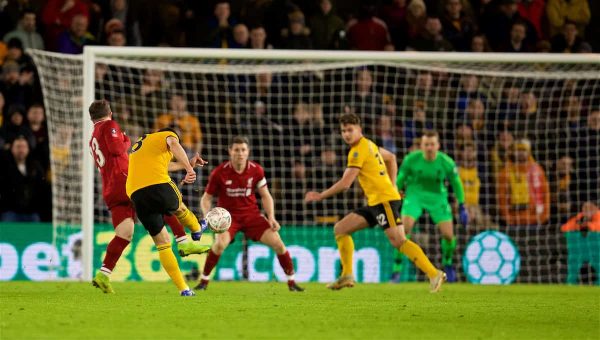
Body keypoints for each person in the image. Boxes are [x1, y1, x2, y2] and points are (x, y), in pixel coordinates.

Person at [305, 113, 445, 292]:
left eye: (350, 130)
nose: (346, 134)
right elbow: (392, 158)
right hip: (375, 202)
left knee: (399, 241)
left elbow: (346, 183)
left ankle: (434, 274)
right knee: (340, 229)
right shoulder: (370, 144)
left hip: (384, 202)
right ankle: (347, 274)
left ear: (359, 130)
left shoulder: (357, 151)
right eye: (343, 131)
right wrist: (393, 185)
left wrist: (321, 195)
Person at [88, 100, 208, 295]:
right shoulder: (110, 125)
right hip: (125, 181)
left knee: (124, 234)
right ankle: (184, 241)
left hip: (110, 189)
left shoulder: (93, 136)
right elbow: (118, 150)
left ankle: (103, 273)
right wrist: (126, 140)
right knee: (162, 203)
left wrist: (188, 165)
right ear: (110, 112)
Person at [195, 136, 304, 292]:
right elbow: (206, 199)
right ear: (230, 151)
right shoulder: (219, 172)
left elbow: (266, 195)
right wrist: (209, 218)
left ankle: (292, 283)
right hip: (228, 218)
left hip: (252, 216)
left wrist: (271, 217)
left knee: (278, 244)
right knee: (219, 245)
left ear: (248, 152)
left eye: (243, 150)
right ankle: (204, 281)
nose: (240, 153)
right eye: (237, 150)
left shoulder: (256, 170)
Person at [396, 131, 468, 282]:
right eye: (426, 144)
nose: (429, 148)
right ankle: (397, 269)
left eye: (432, 144)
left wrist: (462, 205)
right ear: (421, 146)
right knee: (404, 229)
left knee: (449, 235)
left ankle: (447, 263)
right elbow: (400, 179)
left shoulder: (446, 162)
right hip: (415, 195)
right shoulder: (411, 159)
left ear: (438, 146)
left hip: (437, 198)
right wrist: (395, 197)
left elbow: (457, 184)